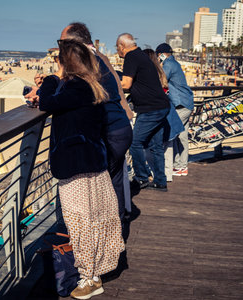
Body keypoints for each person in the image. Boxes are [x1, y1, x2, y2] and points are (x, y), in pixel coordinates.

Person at [38, 39, 124, 299]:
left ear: (67, 63)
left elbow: (46, 103)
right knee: (93, 218)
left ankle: (89, 279)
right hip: (91, 162)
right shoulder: (90, 86)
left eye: (59, 60)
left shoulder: (77, 87)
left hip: (77, 164)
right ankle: (94, 273)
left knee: (80, 222)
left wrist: (52, 79)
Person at [59, 22, 133, 229]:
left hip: (109, 132)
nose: (60, 49)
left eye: (62, 43)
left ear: (75, 43)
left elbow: (71, 92)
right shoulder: (100, 57)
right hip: (121, 128)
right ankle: (116, 233)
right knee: (114, 182)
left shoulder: (88, 62)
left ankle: (105, 236)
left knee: (101, 188)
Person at [117, 33, 170, 191]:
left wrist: (109, 85)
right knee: (156, 146)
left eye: (117, 48)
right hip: (161, 106)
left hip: (150, 109)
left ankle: (142, 178)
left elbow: (126, 84)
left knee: (134, 143)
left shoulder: (131, 56)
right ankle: (160, 181)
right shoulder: (141, 55)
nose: (117, 51)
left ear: (121, 46)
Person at [143, 49, 184, 183]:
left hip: (159, 113)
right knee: (167, 145)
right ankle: (167, 175)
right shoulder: (160, 71)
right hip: (169, 111)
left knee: (150, 147)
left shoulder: (150, 74)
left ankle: (158, 174)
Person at [156, 43, 194, 177]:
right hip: (186, 103)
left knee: (170, 132)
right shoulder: (174, 63)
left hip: (181, 104)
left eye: (157, 56)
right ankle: (181, 166)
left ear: (161, 54)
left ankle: (171, 167)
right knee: (182, 136)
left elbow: (160, 82)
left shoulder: (168, 65)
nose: (157, 58)